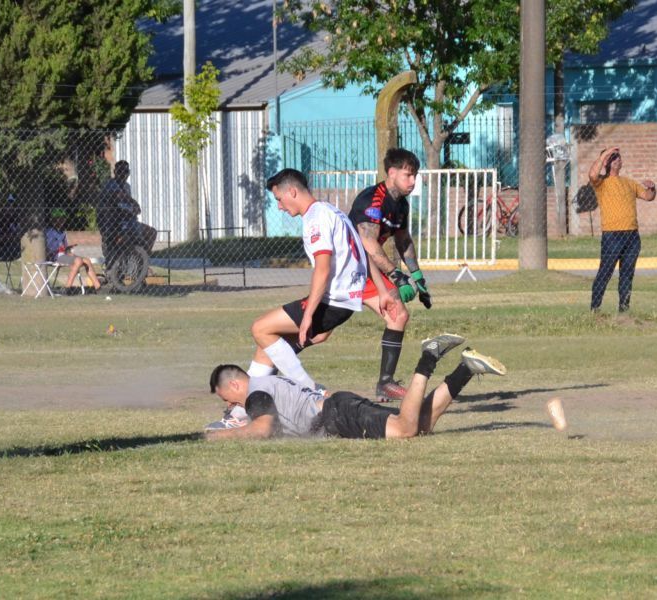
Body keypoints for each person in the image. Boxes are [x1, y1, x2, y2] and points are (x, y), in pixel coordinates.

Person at [247, 168, 398, 392]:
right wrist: (382, 291)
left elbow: (323, 269)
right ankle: (243, 408)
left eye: (279, 199)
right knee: (270, 346)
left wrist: (308, 315)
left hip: (332, 302)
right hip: (341, 302)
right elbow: (363, 253)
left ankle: (311, 390)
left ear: (292, 192)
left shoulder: (315, 219)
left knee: (260, 329)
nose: (279, 206)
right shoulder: (331, 210)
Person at [206, 333, 506, 441]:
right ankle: (465, 371)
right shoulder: (268, 381)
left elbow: (262, 428)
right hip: (339, 409)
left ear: (234, 383)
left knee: (404, 429)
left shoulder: (255, 394)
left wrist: (218, 437)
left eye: (228, 399)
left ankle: (428, 357)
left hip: (338, 415)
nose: (232, 405)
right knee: (419, 426)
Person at [349, 148, 430, 402]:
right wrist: (396, 276)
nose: (413, 181)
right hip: (348, 269)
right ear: (392, 172)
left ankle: (385, 383)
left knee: (398, 314)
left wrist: (417, 277)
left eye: (415, 175)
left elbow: (403, 240)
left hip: (364, 269)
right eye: (408, 175)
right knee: (318, 331)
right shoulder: (373, 200)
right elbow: (369, 244)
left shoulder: (401, 204)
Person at [588, 147, 656, 313]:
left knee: (627, 274)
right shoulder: (601, 183)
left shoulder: (629, 182)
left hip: (632, 236)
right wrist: (605, 153)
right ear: (607, 162)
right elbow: (592, 175)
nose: (618, 159)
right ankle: (595, 310)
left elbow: (648, 197)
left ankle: (624, 311)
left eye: (618, 156)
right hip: (612, 235)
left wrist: (652, 188)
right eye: (614, 157)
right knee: (605, 273)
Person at [98, 160, 158, 254]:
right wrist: (132, 203)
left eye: (125, 171)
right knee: (125, 238)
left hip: (129, 220)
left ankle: (142, 261)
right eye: (120, 171)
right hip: (114, 222)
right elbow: (118, 196)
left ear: (128, 173)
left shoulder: (127, 186)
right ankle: (113, 257)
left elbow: (134, 207)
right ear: (115, 172)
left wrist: (132, 206)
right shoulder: (110, 184)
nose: (123, 174)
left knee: (152, 233)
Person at [44, 208, 101, 294]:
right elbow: (49, 249)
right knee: (78, 261)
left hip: (62, 256)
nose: (61, 221)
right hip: (53, 257)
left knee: (87, 261)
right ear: (53, 219)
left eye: (63, 218)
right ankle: (67, 288)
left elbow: (65, 249)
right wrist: (61, 250)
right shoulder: (49, 232)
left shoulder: (62, 231)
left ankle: (98, 287)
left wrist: (69, 249)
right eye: (59, 219)